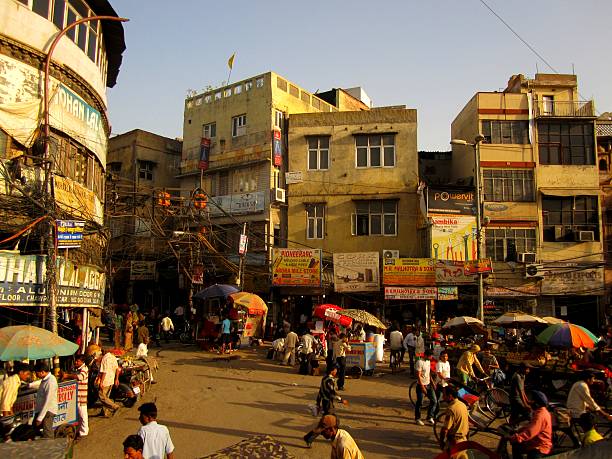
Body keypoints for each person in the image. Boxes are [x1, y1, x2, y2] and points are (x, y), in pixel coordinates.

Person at [303, 365, 348, 447]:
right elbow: (332, 393)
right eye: (335, 370)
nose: (336, 371)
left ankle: (333, 437)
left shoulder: (324, 378)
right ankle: (309, 438)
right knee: (325, 424)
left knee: (334, 421)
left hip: (325, 402)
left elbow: (320, 391)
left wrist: (318, 402)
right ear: (332, 370)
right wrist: (341, 400)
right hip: (328, 404)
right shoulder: (330, 380)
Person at [508, 390, 552, 459]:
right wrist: (518, 431)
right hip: (533, 441)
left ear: (537, 403)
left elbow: (530, 432)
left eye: (532, 400)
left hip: (540, 446)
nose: (530, 402)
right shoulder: (540, 411)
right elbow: (530, 426)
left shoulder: (540, 415)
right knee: (516, 445)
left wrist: (517, 437)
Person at [62, 354, 89, 438]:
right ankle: (79, 430)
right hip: (77, 395)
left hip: (82, 396)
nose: (76, 362)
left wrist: (67, 376)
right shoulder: (77, 369)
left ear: (82, 362)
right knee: (79, 414)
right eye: (76, 361)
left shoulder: (84, 369)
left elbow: (80, 377)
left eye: (78, 361)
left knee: (83, 414)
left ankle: (84, 432)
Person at [438, 385, 470, 456]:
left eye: (444, 395)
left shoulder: (451, 409)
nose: (443, 397)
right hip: (464, 442)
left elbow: (445, 429)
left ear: (450, 396)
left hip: (454, 444)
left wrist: (441, 442)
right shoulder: (463, 405)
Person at [33, 361, 58, 438]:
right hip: (41, 410)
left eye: (36, 373)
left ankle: (51, 449)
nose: (35, 375)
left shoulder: (51, 382)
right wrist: (29, 385)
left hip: (48, 411)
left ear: (42, 372)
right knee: (34, 430)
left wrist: (40, 418)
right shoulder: (45, 379)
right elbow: (39, 383)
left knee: (47, 432)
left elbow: (48, 401)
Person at [415, 349, 438, 425]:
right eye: (430, 356)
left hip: (429, 384)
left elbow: (428, 373)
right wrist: (422, 387)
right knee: (420, 402)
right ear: (425, 355)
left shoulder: (428, 361)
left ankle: (429, 416)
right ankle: (418, 418)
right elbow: (418, 376)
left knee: (434, 401)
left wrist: (433, 383)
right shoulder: (419, 362)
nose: (431, 357)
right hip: (421, 385)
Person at [96, 347, 120, 417]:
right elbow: (117, 369)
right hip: (111, 380)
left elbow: (104, 371)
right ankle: (104, 412)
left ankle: (115, 406)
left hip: (106, 381)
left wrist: (101, 382)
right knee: (106, 397)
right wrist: (116, 379)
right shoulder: (113, 357)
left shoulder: (105, 358)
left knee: (102, 397)